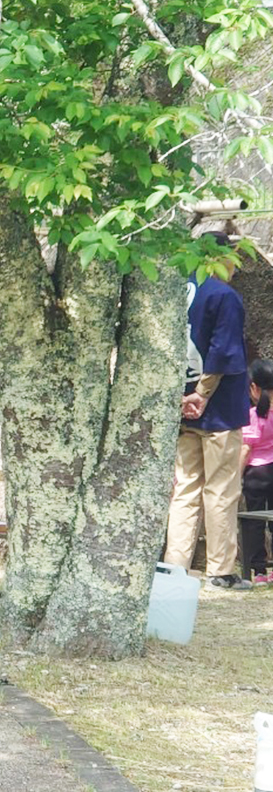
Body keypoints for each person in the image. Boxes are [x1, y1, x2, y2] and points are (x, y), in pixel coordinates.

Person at [165, 231, 252, 591]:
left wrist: (181, 396)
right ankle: (220, 570)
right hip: (217, 408)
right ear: (219, 258)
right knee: (220, 489)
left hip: (181, 405)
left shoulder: (176, 290)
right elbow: (224, 351)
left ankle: (175, 567)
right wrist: (201, 393)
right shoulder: (223, 296)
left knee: (185, 489)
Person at [241, 358, 273, 584]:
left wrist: (235, 475)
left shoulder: (253, 415)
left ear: (253, 387)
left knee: (253, 521)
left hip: (255, 474)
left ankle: (259, 571)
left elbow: (246, 449)